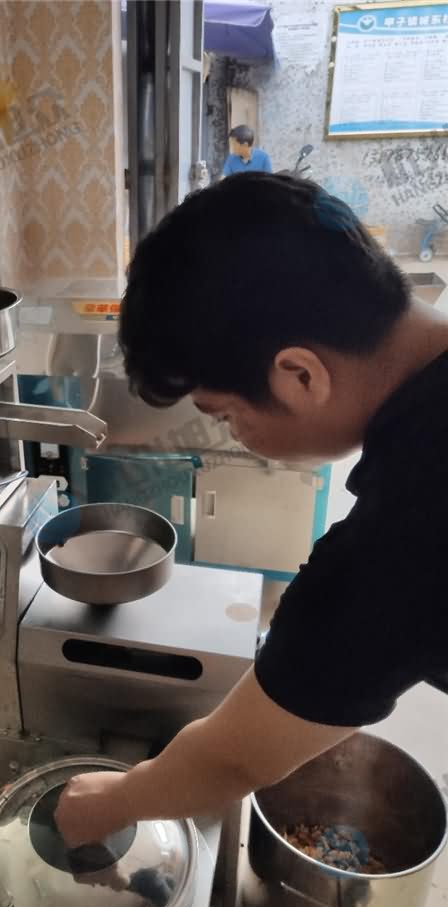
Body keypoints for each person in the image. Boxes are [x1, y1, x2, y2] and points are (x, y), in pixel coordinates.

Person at [54, 172, 448, 847]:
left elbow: (235, 759)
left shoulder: (402, 534)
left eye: (226, 415)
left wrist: (113, 800)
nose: (234, 435)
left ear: (300, 375)